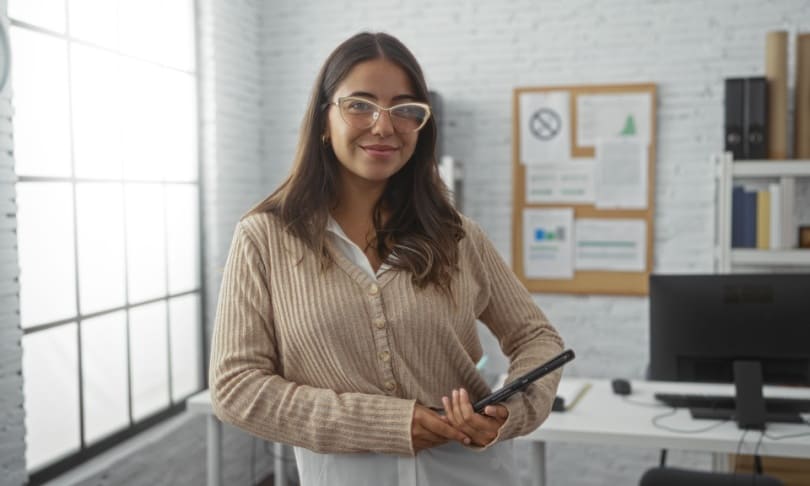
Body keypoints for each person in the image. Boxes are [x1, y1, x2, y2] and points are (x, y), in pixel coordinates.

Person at [209, 32, 564, 485]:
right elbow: (236, 388)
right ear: (324, 120)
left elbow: (537, 337)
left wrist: (509, 412)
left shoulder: (457, 236)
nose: (383, 126)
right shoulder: (264, 238)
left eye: (404, 110)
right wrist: (390, 423)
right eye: (359, 104)